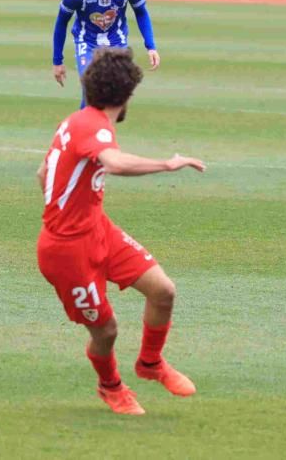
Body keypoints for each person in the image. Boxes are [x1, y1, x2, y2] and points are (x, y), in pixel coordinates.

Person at [36, 47, 205, 415]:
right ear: (126, 96)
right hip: (66, 252)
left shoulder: (79, 119)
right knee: (106, 331)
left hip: (98, 229)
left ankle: (150, 363)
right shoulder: (91, 125)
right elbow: (112, 162)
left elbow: (42, 174)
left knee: (163, 290)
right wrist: (167, 164)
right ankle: (110, 387)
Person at [52, 0, 159, 107]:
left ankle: (98, 130)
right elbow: (61, 23)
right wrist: (57, 61)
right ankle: (82, 130)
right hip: (87, 42)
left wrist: (151, 46)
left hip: (117, 41)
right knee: (91, 90)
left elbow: (141, 12)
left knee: (115, 94)